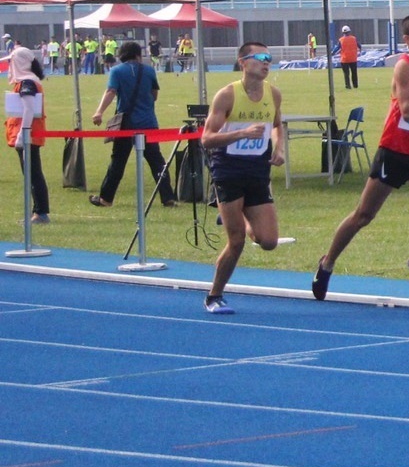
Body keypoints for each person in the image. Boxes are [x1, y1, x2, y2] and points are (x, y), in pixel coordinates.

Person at [312, 13, 409, 301]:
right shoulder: (405, 68)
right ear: (408, 39)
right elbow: (406, 110)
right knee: (363, 216)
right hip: (393, 152)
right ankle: (327, 262)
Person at [199, 42, 285, 315]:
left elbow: (276, 126)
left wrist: (279, 147)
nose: (266, 62)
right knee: (235, 241)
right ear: (242, 62)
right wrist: (240, 133)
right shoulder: (227, 96)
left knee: (269, 241)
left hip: (258, 170)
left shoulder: (274, 94)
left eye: (269, 58)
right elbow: (206, 139)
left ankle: (240, 214)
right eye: (260, 57)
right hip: (229, 170)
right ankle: (214, 295)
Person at [89, 41, 178, 208]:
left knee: (118, 162)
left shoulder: (116, 71)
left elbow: (111, 91)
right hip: (148, 122)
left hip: (126, 124)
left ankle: (106, 199)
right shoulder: (149, 70)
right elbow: (155, 95)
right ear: (138, 54)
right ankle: (168, 197)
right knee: (157, 161)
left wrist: (99, 111)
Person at [4, 46, 50, 224]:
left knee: (33, 174)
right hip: (28, 134)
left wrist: (23, 135)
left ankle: (40, 213)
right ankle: (39, 211)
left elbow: (29, 109)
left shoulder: (27, 83)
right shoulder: (27, 81)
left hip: (27, 135)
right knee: (32, 173)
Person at [338, 25, 359, 89]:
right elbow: (359, 46)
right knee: (354, 72)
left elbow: (337, 48)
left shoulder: (341, 40)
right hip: (353, 58)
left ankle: (348, 85)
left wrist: (331, 53)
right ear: (349, 31)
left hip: (344, 59)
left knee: (346, 74)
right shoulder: (354, 38)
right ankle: (355, 85)